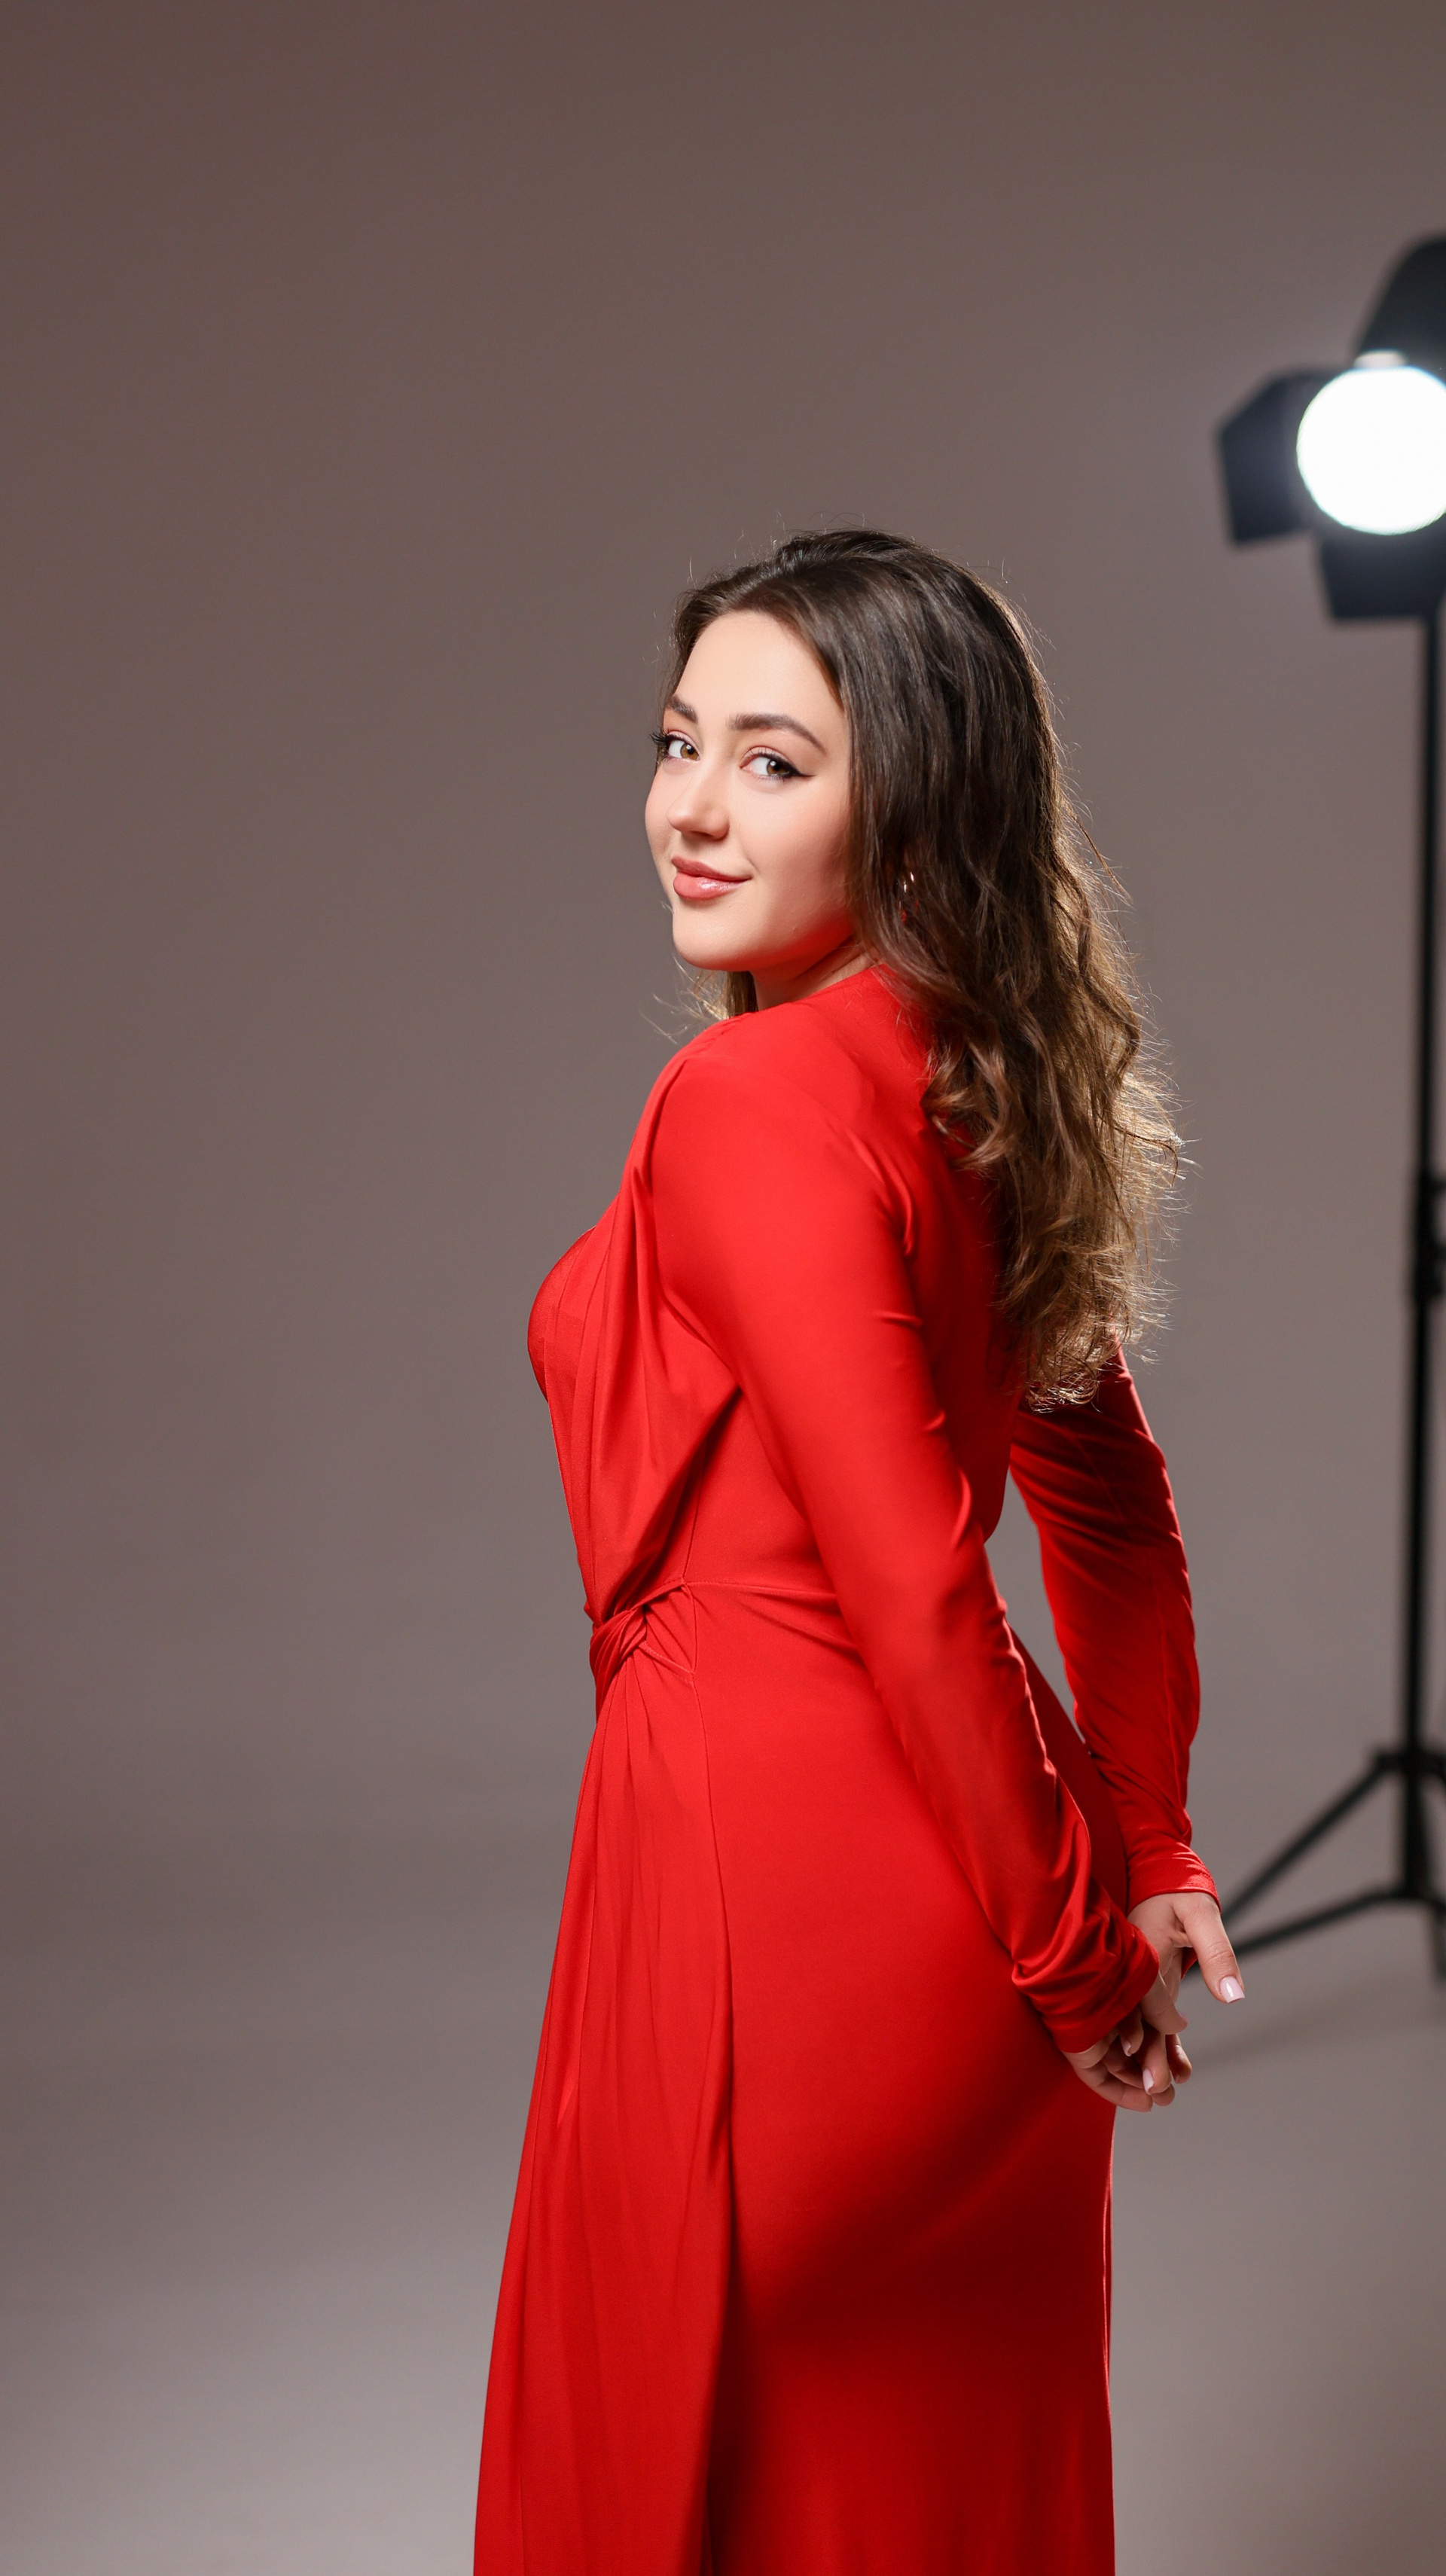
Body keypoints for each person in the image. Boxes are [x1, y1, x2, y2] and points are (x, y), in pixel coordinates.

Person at [474, 529, 1243, 2576]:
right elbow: (1115, 1517)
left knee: (693, 2488)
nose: (693, 807)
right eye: (679, 743)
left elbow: (914, 1585)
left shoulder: (745, 1098)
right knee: (926, 2506)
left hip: (770, 1904)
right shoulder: (984, 1086)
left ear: (913, 809)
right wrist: (1139, 1854)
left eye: (775, 762)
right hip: (972, 1937)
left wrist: (1079, 1949)